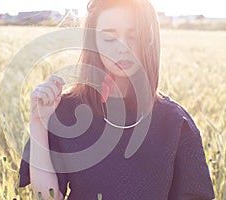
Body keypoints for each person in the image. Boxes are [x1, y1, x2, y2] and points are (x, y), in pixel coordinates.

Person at [19, 0, 215, 199]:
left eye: (134, 36)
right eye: (109, 38)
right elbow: (48, 197)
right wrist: (38, 123)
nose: (123, 47)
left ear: (149, 41)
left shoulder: (174, 121)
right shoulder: (66, 111)